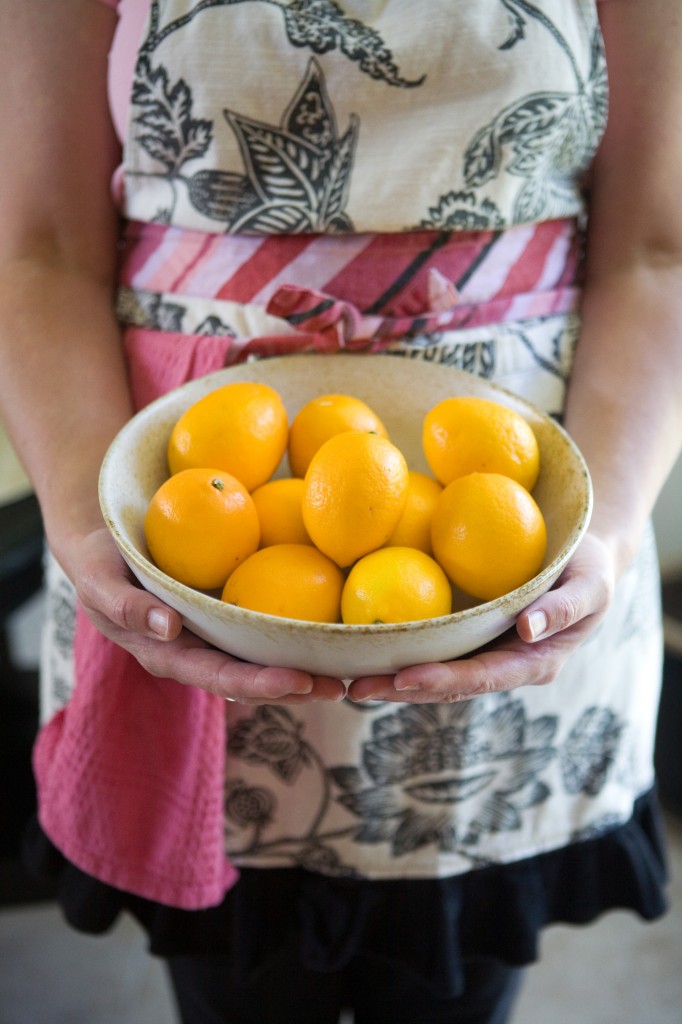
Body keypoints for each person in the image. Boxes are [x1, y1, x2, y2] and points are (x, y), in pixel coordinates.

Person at [1, 1, 680, 1021]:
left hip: (514, 537)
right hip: (183, 538)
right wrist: (87, 521)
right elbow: (39, 250)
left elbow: (657, 250)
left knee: (457, 985)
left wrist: (608, 531)